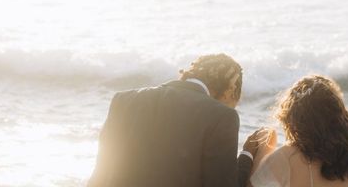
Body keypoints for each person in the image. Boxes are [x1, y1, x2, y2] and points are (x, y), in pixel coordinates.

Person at [87, 53, 262, 187]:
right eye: (233, 103)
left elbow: (100, 175)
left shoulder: (124, 100)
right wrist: (248, 155)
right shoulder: (222, 116)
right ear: (230, 92)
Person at [249, 75, 348, 187]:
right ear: (340, 115)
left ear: (295, 120)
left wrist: (263, 150)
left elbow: (253, 185)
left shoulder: (288, 158)